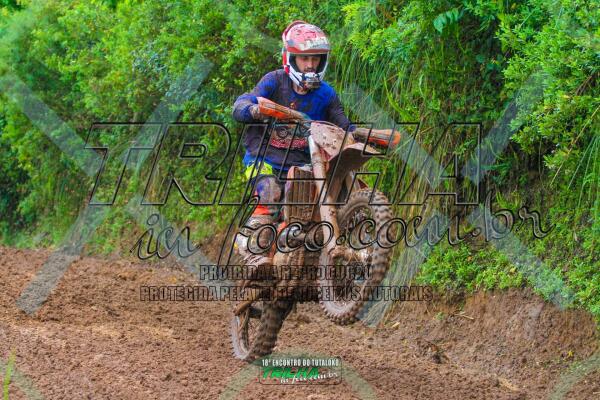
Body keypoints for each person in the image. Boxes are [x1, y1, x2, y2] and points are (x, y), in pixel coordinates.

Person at [232, 20, 353, 268]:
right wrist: (252, 109)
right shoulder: (274, 82)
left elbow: (343, 124)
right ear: (290, 58)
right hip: (263, 160)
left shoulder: (326, 94)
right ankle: (253, 255)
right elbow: (243, 102)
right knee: (270, 194)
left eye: (315, 59)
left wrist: (361, 135)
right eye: (304, 58)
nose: (310, 65)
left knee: (319, 203)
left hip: (301, 166)